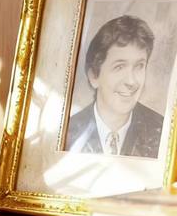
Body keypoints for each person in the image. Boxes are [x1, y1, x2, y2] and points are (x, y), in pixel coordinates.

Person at [66, 15, 164, 158]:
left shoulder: (163, 132)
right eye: (119, 67)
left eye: (139, 66)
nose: (131, 81)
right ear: (94, 76)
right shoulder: (67, 133)